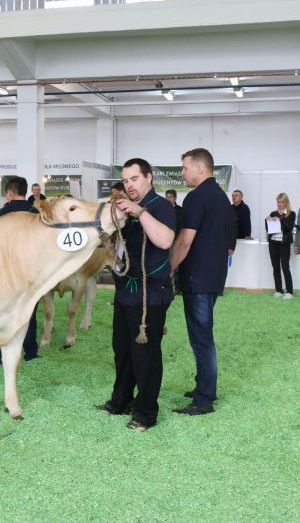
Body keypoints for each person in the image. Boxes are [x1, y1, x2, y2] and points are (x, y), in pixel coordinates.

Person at [96, 158, 176, 432]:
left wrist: (139, 212)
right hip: (126, 293)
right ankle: (120, 400)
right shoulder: (125, 212)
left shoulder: (161, 207)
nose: (130, 185)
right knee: (122, 350)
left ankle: (146, 413)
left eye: (134, 179)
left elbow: (165, 240)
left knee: (146, 355)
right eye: (126, 180)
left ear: (149, 178)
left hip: (150, 296)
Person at [169, 148, 236, 416]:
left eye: (184, 167)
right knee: (202, 335)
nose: (182, 173)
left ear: (200, 168)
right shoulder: (221, 197)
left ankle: (204, 399)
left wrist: (168, 268)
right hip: (213, 276)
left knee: (201, 338)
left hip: (197, 277)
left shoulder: (197, 198)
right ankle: (204, 386)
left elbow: (185, 241)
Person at [0, 176, 39, 363]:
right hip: (29, 269)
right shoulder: (35, 212)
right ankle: (30, 352)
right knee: (29, 312)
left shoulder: (1, 213)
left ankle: (0, 354)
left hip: (5, 270)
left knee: (4, 313)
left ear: (11, 193)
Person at [265, 193, 296, 299]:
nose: (279, 204)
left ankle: (289, 291)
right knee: (275, 267)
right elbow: (268, 229)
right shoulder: (273, 213)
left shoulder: (291, 214)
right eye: (278, 201)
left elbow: (289, 229)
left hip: (284, 243)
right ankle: (278, 290)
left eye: (282, 202)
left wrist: (280, 219)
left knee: (285, 266)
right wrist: (268, 220)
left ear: (286, 202)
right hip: (273, 242)